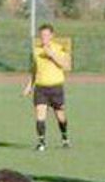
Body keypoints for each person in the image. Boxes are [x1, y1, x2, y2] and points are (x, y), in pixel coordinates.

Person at [23, 23, 71, 151]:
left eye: (46, 35)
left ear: (52, 36)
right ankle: (41, 143)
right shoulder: (36, 50)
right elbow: (34, 69)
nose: (44, 37)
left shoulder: (59, 48)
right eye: (42, 35)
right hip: (41, 88)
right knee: (40, 114)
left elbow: (66, 66)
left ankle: (65, 137)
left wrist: (52, 55)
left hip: (56, 87)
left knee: (60, 116)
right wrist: (29, 86)